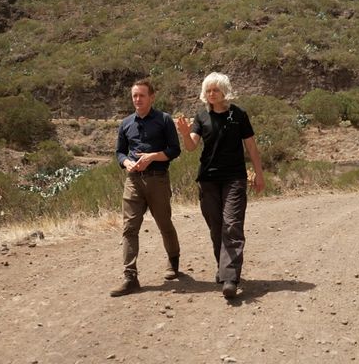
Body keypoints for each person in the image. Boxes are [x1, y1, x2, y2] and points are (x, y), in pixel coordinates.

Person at [175, 72, 265, 299]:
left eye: (216, 90)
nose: (212, 94)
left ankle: (230, 278)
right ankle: (224, 267)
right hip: (208, 179)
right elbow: (192, 147)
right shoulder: (201, 117)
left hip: (235, 177)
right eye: (208, 90)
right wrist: (185, 134)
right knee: (216, 227)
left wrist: (259, 175)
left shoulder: (239, 115)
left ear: (225, 91)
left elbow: (251, 147)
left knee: (232, 224)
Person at [111, 79, 182, 297]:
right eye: (135, 96)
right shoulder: (126, 123)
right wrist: (126, 163)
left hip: (158, 179)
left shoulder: (164, 120)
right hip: (133, 180)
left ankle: (173, 261)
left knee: (164, 222)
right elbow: (120, 153)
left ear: (152, 97)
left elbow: (174, 150)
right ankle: (130, 277)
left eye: (142, 95)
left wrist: (152, 157)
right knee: (129, 228)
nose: (138, 99)